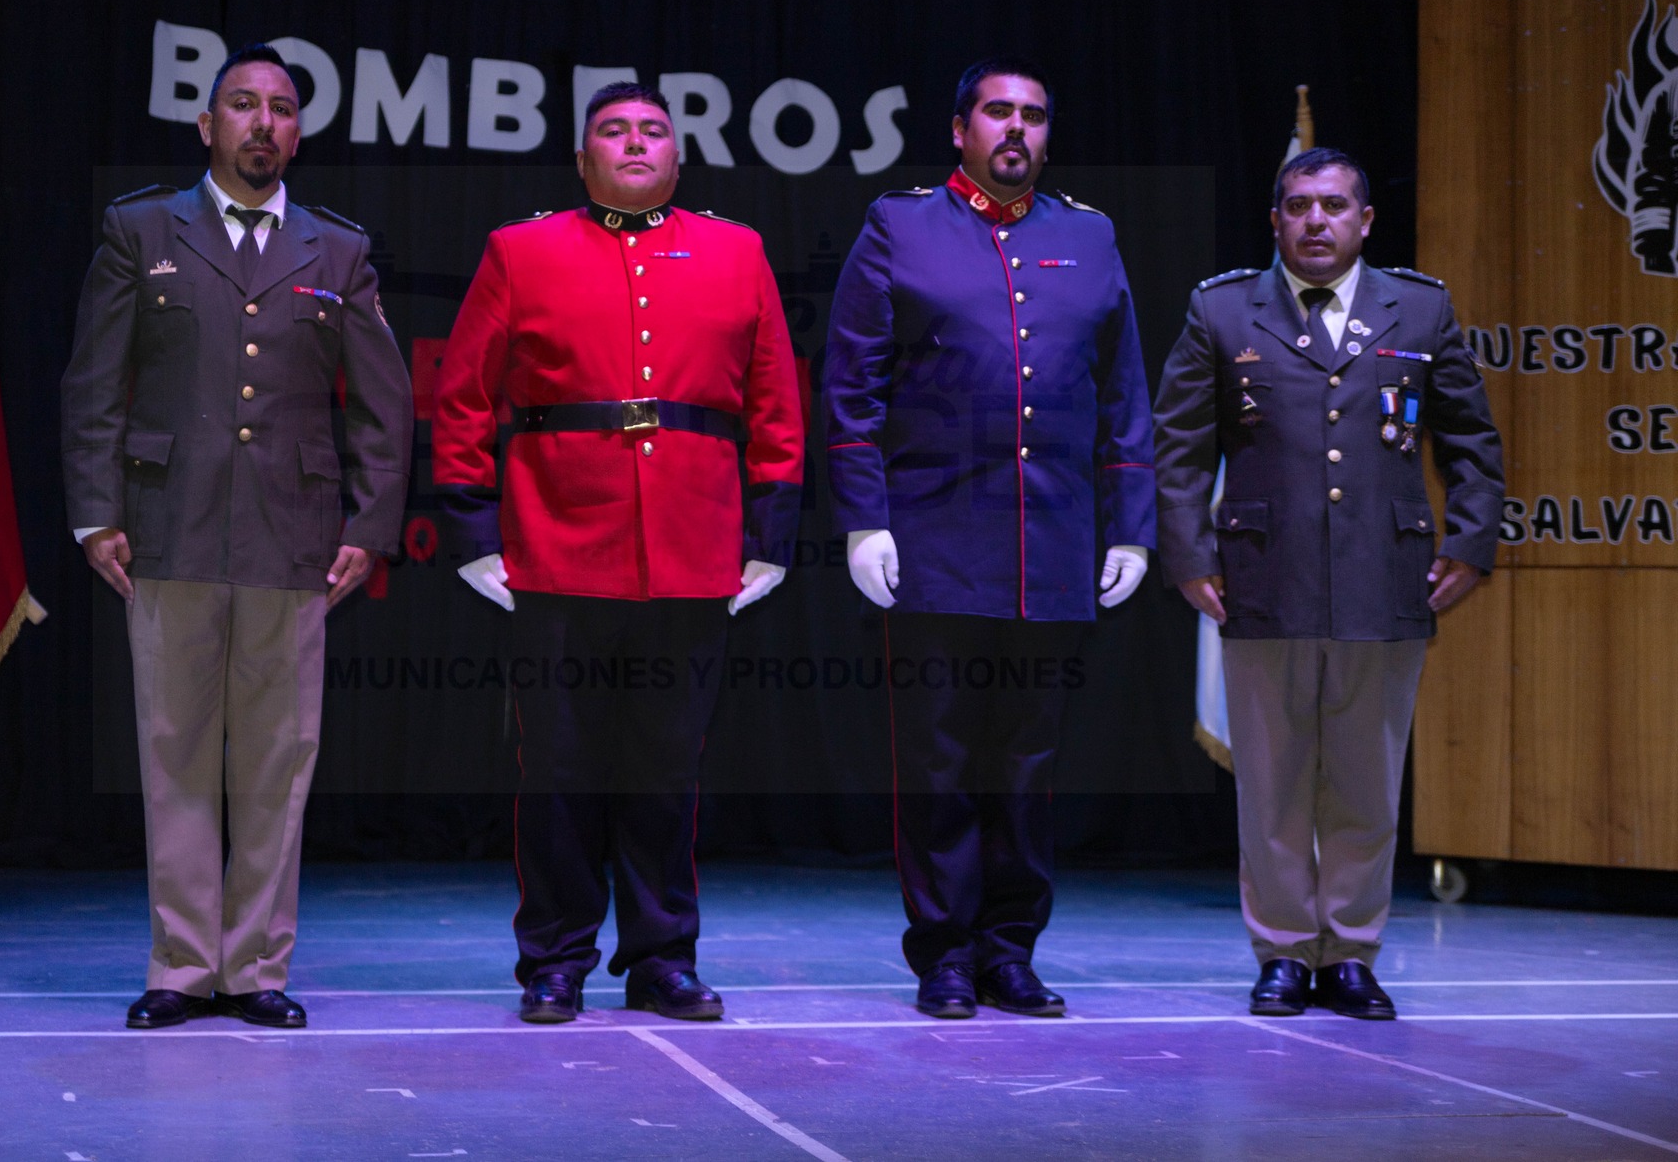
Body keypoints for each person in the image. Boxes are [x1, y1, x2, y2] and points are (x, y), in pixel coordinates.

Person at [432, 81, 806, 1024]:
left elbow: (774, 403)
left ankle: (660, 957)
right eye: (613, 130)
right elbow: (463, 398)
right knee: (557, 769)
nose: (634, 142)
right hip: (556, 547)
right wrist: (476, 533)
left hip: (692, 549)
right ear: (582, 156)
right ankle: (554, 957)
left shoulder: (738, 250)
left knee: (665, 769)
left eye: (652, 130)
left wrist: (771, 537)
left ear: (679, 157)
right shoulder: (522, 251)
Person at [60, 44, 413, 1030]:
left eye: (282, 108)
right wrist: (97, 513)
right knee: (173, 752)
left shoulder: (334, 250)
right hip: (165, 527)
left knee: (274, 757)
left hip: (290, 538)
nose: (263, 122)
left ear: (297, 132)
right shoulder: (141, 229)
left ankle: (255, 968)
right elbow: (93, 384)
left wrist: (370, 524)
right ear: (206, 126)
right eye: (242, 105)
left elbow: (384, 407)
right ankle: (181, 966)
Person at [822, 59, 1156, 1020]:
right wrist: (863, 518)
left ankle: (1010, 949)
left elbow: (1124, 390)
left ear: (1049, 134)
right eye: (998, 111)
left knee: (1026, 767)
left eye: (1034, 116)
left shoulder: (1087, 236)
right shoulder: (902, 225)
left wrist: (1129, 523)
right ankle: (944, 953)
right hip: (933, 539)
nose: (1017, 128)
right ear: (960, 127)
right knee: (938, 764)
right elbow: (852, 388)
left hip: (1051, 545)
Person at [1153, 147, 1503, 1019]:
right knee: (1272, 782)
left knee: (1364, 778)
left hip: (1387, 578)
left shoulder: (1417, 309)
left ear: (1365, 221)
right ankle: (1280, 950)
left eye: (1335, 206)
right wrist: (1190, 554)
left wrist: (1469, 542)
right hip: (1262, 578)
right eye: (1300, 206)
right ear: (1275, 220)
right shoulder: (1224, 309)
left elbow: (1472, 441)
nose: (1317, 221)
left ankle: (1348, 951)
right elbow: (1179, 448)